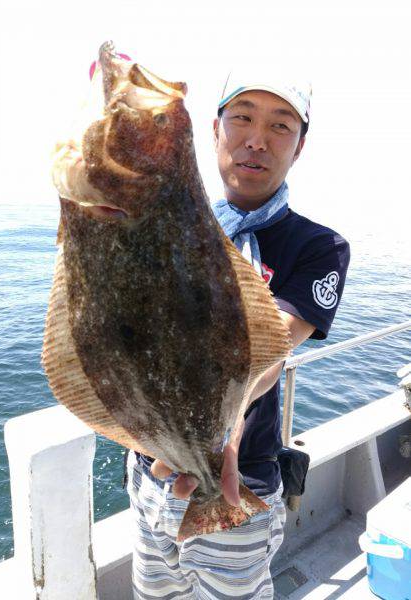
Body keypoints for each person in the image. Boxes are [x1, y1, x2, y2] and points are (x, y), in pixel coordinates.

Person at [126, 70, 350, 599]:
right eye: (242, 117)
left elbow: (269, 350)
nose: (256, 138)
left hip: (235, 481)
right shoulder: (169, 225)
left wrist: (221, 426)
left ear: (299, 147)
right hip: (149, 470)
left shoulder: (319, 247)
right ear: (215, 129)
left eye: (280, 125)